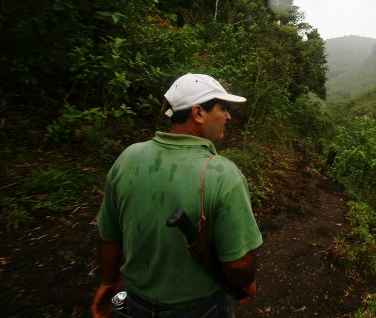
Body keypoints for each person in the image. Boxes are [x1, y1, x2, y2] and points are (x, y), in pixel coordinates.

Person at [91, 73, 263, 318]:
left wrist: (108, 281)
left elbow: (109, 234)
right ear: (198, 113)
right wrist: (247, 281)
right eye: (222, 108)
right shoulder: (223, 174)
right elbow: (237, 264)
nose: (228, 116)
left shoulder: (128, 158)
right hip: (201, 308)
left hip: (135, 304)